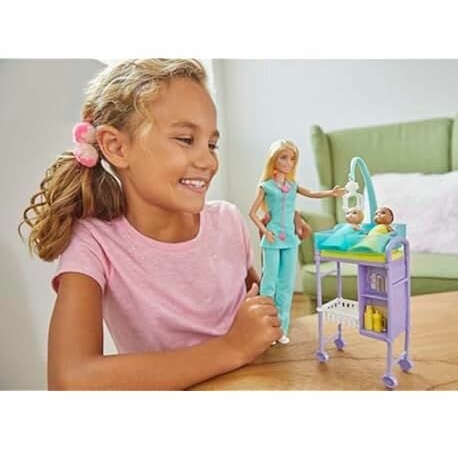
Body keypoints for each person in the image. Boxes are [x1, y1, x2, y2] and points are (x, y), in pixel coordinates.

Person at [19, 59, 286, 390]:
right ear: (116, 147)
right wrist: (231, 348)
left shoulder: (228, 222)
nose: (208, 161)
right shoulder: (94, 244)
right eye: (185, 139)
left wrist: (280, 255)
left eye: (211, 144)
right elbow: (69, 381)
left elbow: (264, 318)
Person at [248, 139, 345, 344]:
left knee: (286, 284)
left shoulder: (292, 185)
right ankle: (265, 328)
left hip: (291, 240)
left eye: (292, 159)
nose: (288, 162)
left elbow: (311, 193)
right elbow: (253, 213)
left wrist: (331, 193)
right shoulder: (266, 186)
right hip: (273, 239)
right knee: (269, 282)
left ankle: (281, 330)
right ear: (274, 159)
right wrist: (265, 231)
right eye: (284, 158)